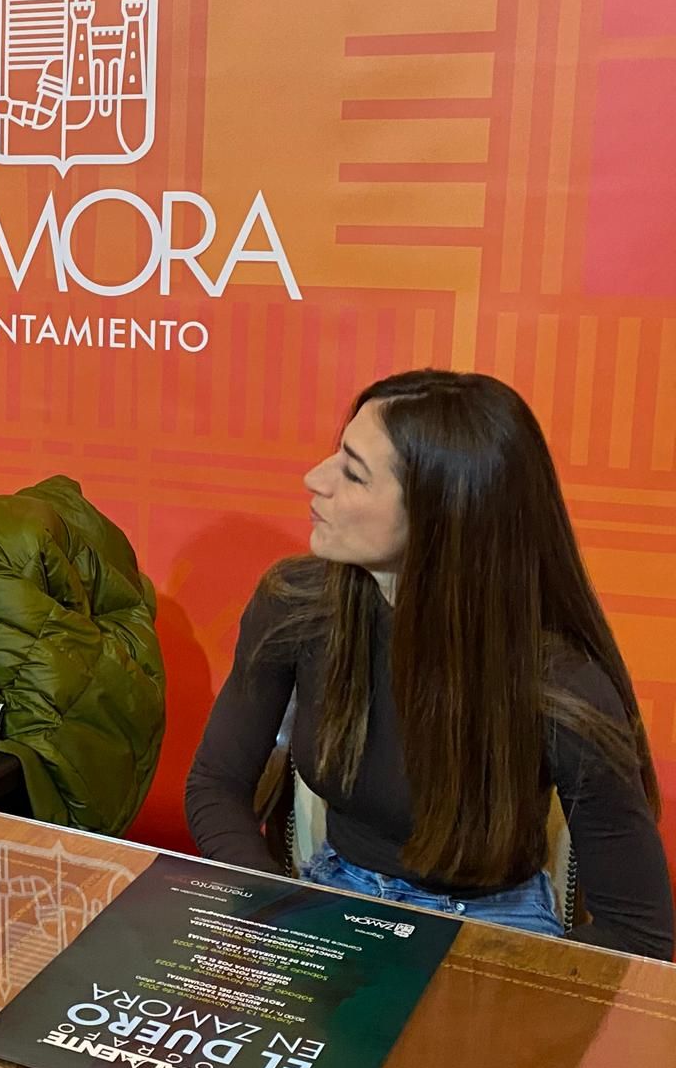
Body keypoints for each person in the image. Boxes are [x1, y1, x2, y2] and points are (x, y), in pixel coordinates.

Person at [185, 369, 673, 959]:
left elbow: (639, 936)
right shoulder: (297, 604)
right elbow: (216, 785)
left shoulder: (560, 686)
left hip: (492, 933)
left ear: (442, 515)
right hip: (332, 898)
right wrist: (277, 916)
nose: (315, 479)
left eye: (354, 473)